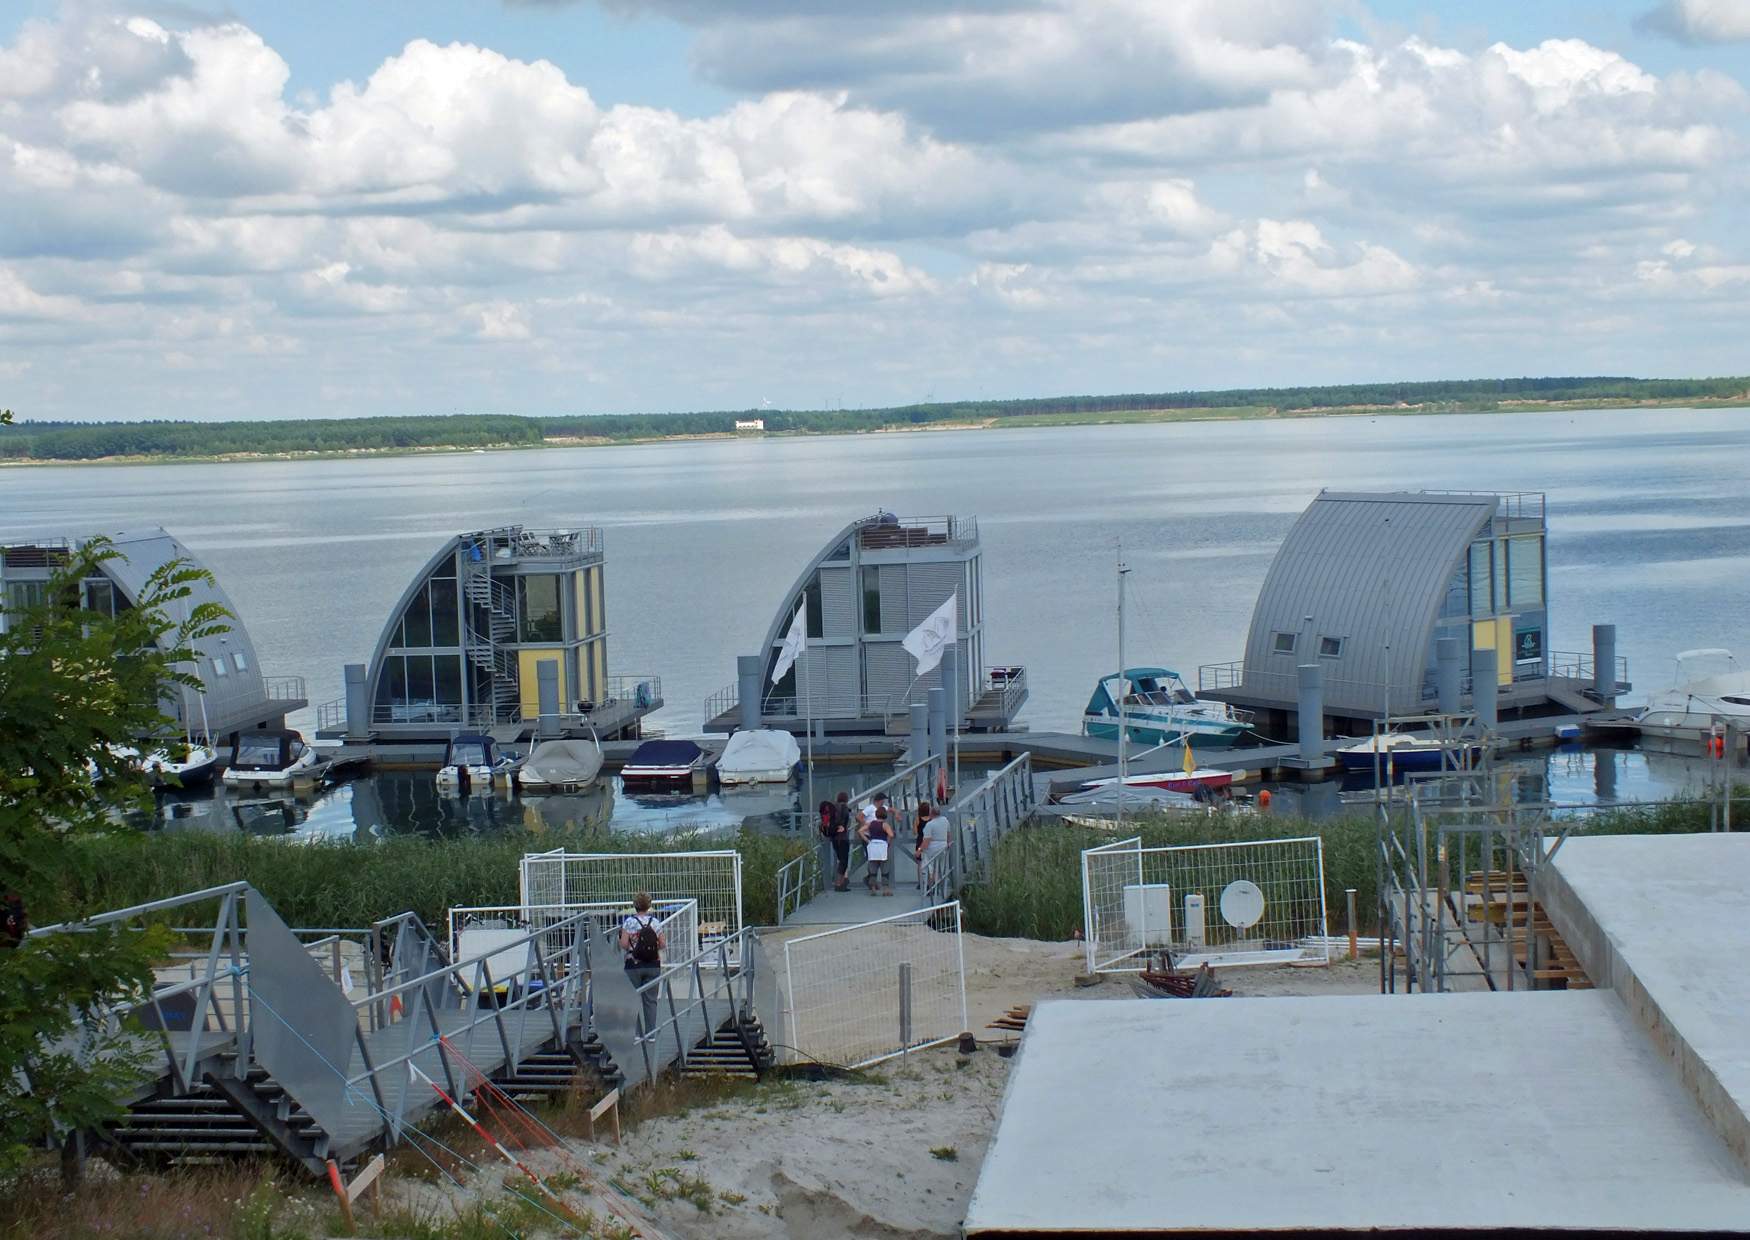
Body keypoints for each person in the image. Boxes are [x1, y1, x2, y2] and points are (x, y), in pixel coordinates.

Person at [618, 892, 666, 1035]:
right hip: (652, 964)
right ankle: (651, 1034)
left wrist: (633, 947)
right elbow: (663, 944)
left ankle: (637, 1034)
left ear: (635, 906)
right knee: (650, 1001)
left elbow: (624, 944)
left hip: (633, 965)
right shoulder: (656, 923)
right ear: (649, 905)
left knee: (632, 1000)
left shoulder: (629, 922)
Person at [915, 803, 950, 889]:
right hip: (943, 845)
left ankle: (929, 886)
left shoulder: (930, 825)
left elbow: (926, 841)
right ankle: (937, 886)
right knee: (939, 866)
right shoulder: (945, 820)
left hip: (931, 847)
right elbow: (948, 833)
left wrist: (919, 850)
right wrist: (948, 843)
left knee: (927, 866)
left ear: (931, 813)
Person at [860, 806, 894, 895]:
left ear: (876, 814)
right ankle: (885, 889)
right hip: (882, 846)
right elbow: (891, 834)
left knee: (873, 868)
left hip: (872, 845)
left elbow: (860, 831)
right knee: (885, 868)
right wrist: (887, 843)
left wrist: (867, 840)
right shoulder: (885, 825)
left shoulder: (871, 823)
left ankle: (873, 888)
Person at [830, 791, 853, 892]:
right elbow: (845, 821)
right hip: (842, 837)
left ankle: (840, 882)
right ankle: (839, 883)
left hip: (834, 837)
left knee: (840, 859)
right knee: (844, 861)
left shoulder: (833, 808)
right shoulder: (844, 808)